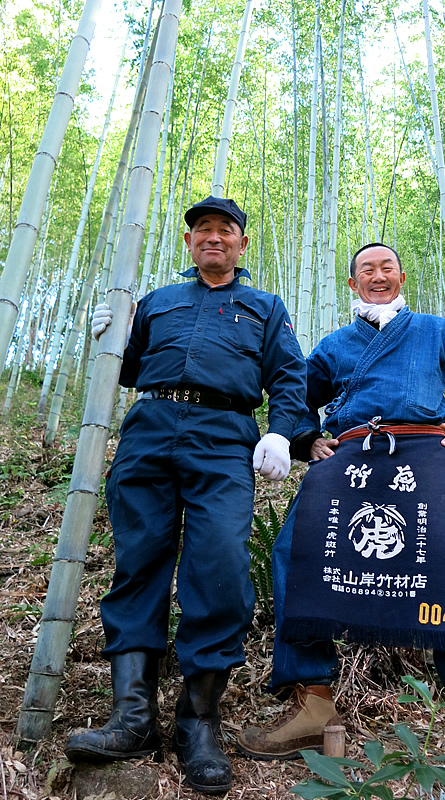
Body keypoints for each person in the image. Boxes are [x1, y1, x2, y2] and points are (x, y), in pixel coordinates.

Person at [237, 243, 445, 800]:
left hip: (421, 455)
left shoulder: (437, 332)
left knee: (444, 573)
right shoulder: (336, 345)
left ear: (401, 276)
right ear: (352, 284)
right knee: (293, 554)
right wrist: (305, 438)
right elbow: (296, 392)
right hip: (348, 457)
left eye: (386, 267)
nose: (377, 276)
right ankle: (313, 698)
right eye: (366, 270)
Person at [65, 196, 306, 795]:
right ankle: (132, 718)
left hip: (224, 438)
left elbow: (290, 376)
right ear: (190, 241)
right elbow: (126, 371)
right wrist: (110, 339)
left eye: (225, 230)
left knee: (221, 562)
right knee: (138, 562)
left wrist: (278, 430)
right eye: (203, 230)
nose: (214, 238)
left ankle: (198, 721)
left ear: (242, 244)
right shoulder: (159, 301)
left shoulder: (264, 308)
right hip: (150, 430)